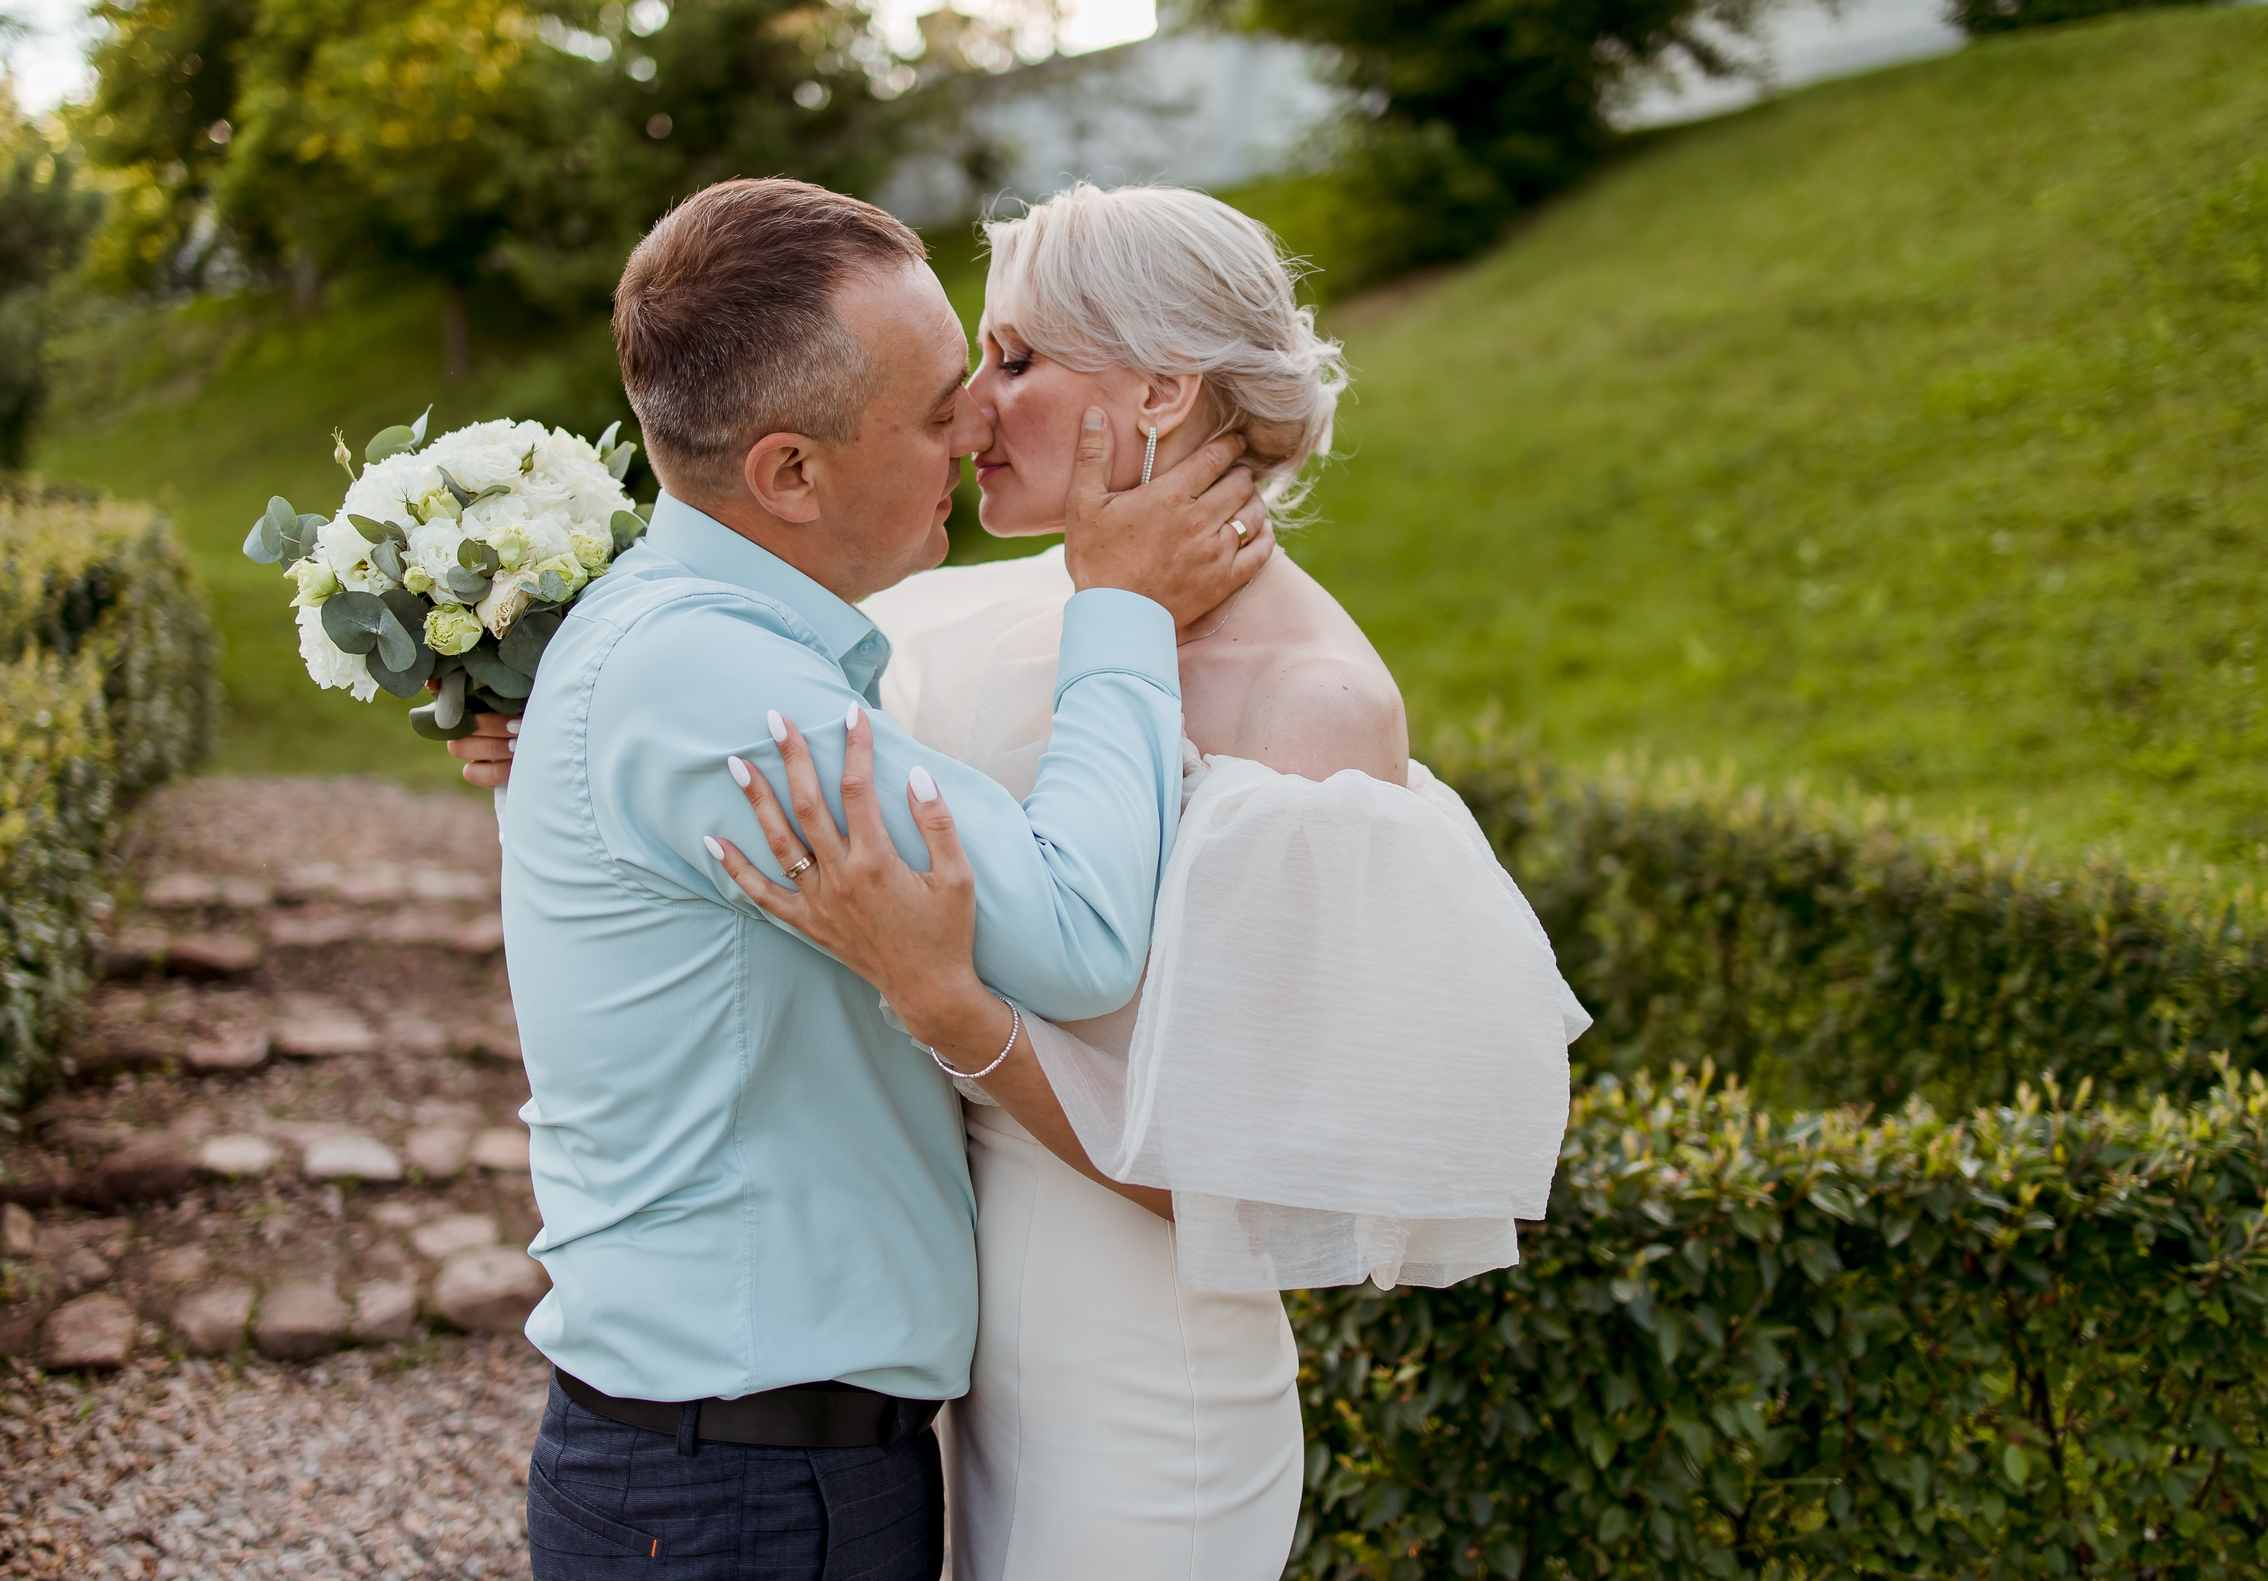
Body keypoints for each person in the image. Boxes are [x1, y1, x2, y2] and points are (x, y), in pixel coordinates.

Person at [461, 182, 1589, 1580]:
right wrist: (565, 722)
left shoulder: (1316, 705)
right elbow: (730, 718)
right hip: (949, 1391)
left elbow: (1249, 1176)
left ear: (1162, 394)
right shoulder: (970, 623)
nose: (977, 415)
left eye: (1011, 363)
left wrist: (956, 1014)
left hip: (1136, 1381)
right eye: (963, 377)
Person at [494, 178, 1275, 1581]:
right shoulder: (713, 682)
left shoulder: (705, 645)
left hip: (758, 1467)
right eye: (935, 407)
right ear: (789, 475)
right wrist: (1122, 609)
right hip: (744, 1499)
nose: (978, 418)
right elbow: (1086, 935)